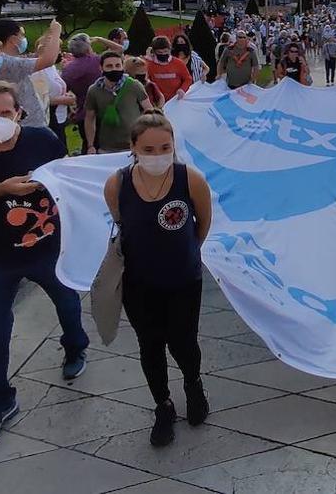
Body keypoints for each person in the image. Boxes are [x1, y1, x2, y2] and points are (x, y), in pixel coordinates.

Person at [0, 82, 88, 443]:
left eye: (5, 113)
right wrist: (0, 191)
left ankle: (75, 346)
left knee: (68, 304)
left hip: (47, 248)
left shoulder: (41, 140)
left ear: (19, 114)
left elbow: (66, 182)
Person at [104, 111, 214, 447]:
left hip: (183, 279)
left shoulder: (189, 179)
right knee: (149, 345)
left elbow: (203, 222)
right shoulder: (118, 183)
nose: (157, 155)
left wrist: (187, 251)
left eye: (165, 147)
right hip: (138, 283)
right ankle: (162, 405)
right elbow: (122, 222)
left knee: (184, 341)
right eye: (149, 149)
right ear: (134, 147)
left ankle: (193, 384)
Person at [0, 18, 63, 127]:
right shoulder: (6, 62)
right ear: (13, 39)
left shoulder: (1, 60)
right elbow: (48, 60)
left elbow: (25, 61)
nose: (24, 39)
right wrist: (56, 32)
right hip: (27, 126)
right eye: (22, 35)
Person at [83, 52, 153, 154]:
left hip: (134, 145)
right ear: (101, 68)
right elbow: (90, 118)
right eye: (109, 66)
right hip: (107, 147)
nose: (114, 69)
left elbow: (149, 111)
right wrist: (90, 145)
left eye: (117, 65)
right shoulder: (94, 90)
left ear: (122, 66)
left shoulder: (134, 85)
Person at [61, 33, 102, 155]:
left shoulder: (68, 69)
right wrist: (100, 39)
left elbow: (64, 89)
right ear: (88, 47)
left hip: (82, 110)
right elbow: (119, 50)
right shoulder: (97, 61)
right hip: (102, 110)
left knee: (88, 145)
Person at [146, 36, 193, 101]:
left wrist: (182, 89)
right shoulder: (149, 65)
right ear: (154, 52)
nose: (163, 54)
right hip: (159, 101)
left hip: (176, 99)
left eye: (165, 51)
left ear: (169, 49)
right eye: (160, 52)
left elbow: (188, 79)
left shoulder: (178, 63)